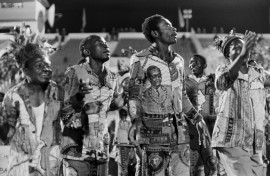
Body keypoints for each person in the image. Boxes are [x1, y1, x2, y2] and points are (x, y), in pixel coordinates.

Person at [128, 14, 209, 176]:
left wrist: (198, 119)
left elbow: (182, 96)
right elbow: (133, 96)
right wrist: (136, 120)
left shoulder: (179, 61)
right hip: (152, 134)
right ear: (155, 34)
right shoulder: (139, 60)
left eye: (173, 26)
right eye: (167, 27)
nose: (174, 29)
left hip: (181, 134)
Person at [60, 35, 124, 176]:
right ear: (86, 51)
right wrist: (78, 97)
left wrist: (122, 99)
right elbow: (63, 107)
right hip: (77, 146)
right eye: (100, 43)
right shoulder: (74, 72)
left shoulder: (113, 77)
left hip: (101, 145)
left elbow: (110, 105)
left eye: (106, 43)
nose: (106, 46)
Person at [213, 30, 270, 176]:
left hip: (255, 143)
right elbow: (222, 83)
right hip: (232, 140)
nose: (241, 51)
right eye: (236, 48)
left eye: (243, 47)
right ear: (227, 55)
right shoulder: (223, 70)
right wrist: (242, 55)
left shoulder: (259, 73)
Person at [0, 42, 62, 175]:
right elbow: (6, 134)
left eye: (48, 65)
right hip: (22, 165)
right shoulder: (13, 97)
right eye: (40, 66)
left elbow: (73, 120)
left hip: (50, 165)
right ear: (25, 70)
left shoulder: (58, 92)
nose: (46, 69)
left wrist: (79, 99)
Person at [185, 54, 218, 176]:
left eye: (196, 62)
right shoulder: (185, 81)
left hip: (209, 126)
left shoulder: (212, 80)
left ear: (204, 65)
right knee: (195, 163)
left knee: (211, 162)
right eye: (191, 62)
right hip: (191, 127)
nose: (192, 65)